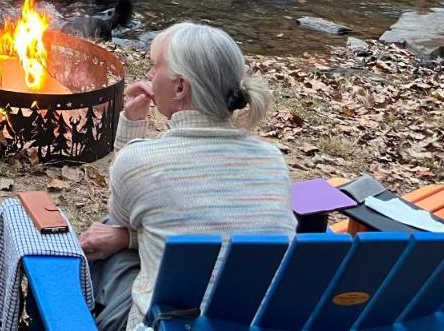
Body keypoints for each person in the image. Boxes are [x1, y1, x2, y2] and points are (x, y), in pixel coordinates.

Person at [79, 22, 295, 331]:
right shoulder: (273, 160)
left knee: (106, 241)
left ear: (180, 88)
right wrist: (129, 238)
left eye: (156, 67)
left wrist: (131, 127)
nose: (150, 77)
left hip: (169, 323)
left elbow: (123, 217)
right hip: (250, 320)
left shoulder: (141, 161)